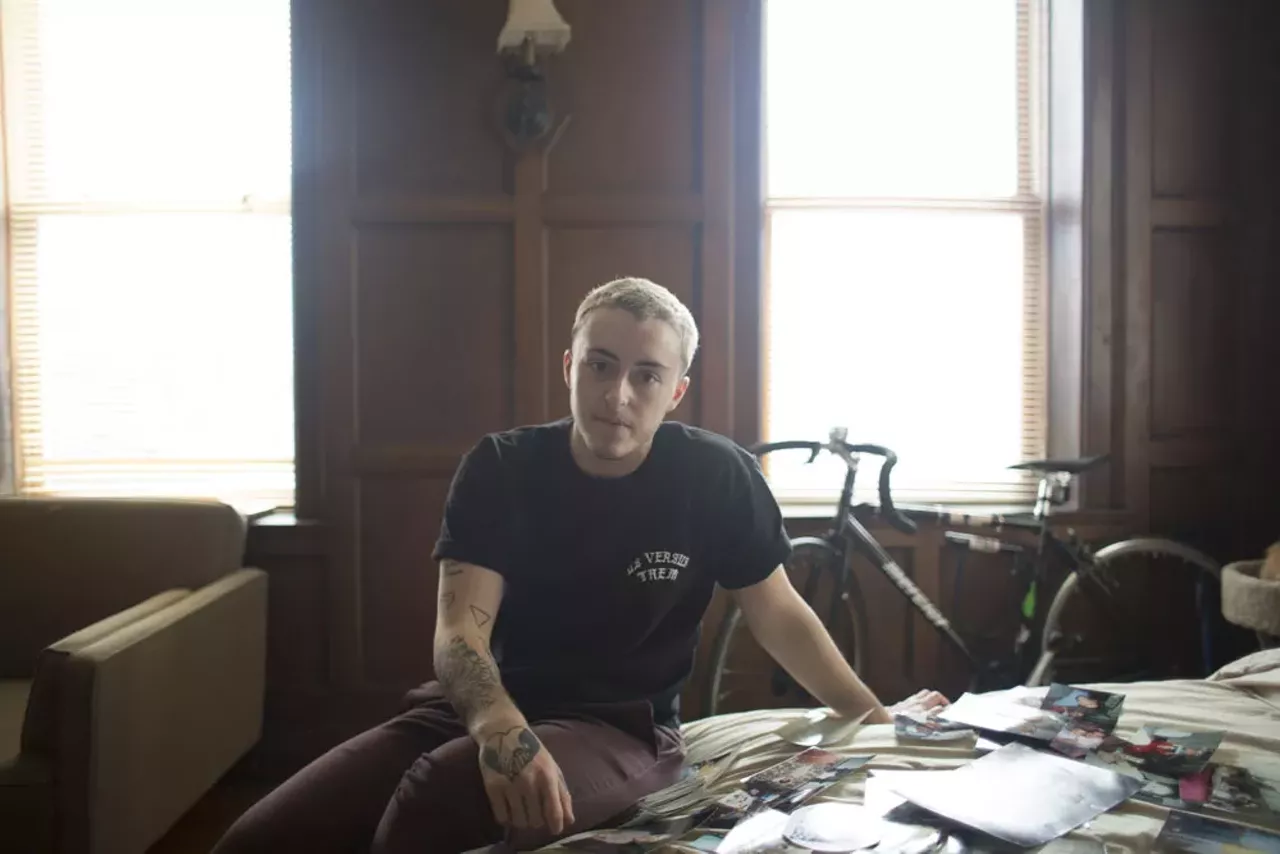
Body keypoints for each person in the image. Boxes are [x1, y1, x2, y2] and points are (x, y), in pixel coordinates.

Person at [212, 277, 946, 854]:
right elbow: (458, 635)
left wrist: (875, 718)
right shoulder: (500, 468)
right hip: (480, 704)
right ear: (570, 366)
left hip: (622, 729)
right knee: (260, 839)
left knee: (439, 792)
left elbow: (778, 613)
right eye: (599, 365)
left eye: (645, 375)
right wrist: (500, 727)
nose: (616, 395)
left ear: (676, 390)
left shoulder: (716, 477)